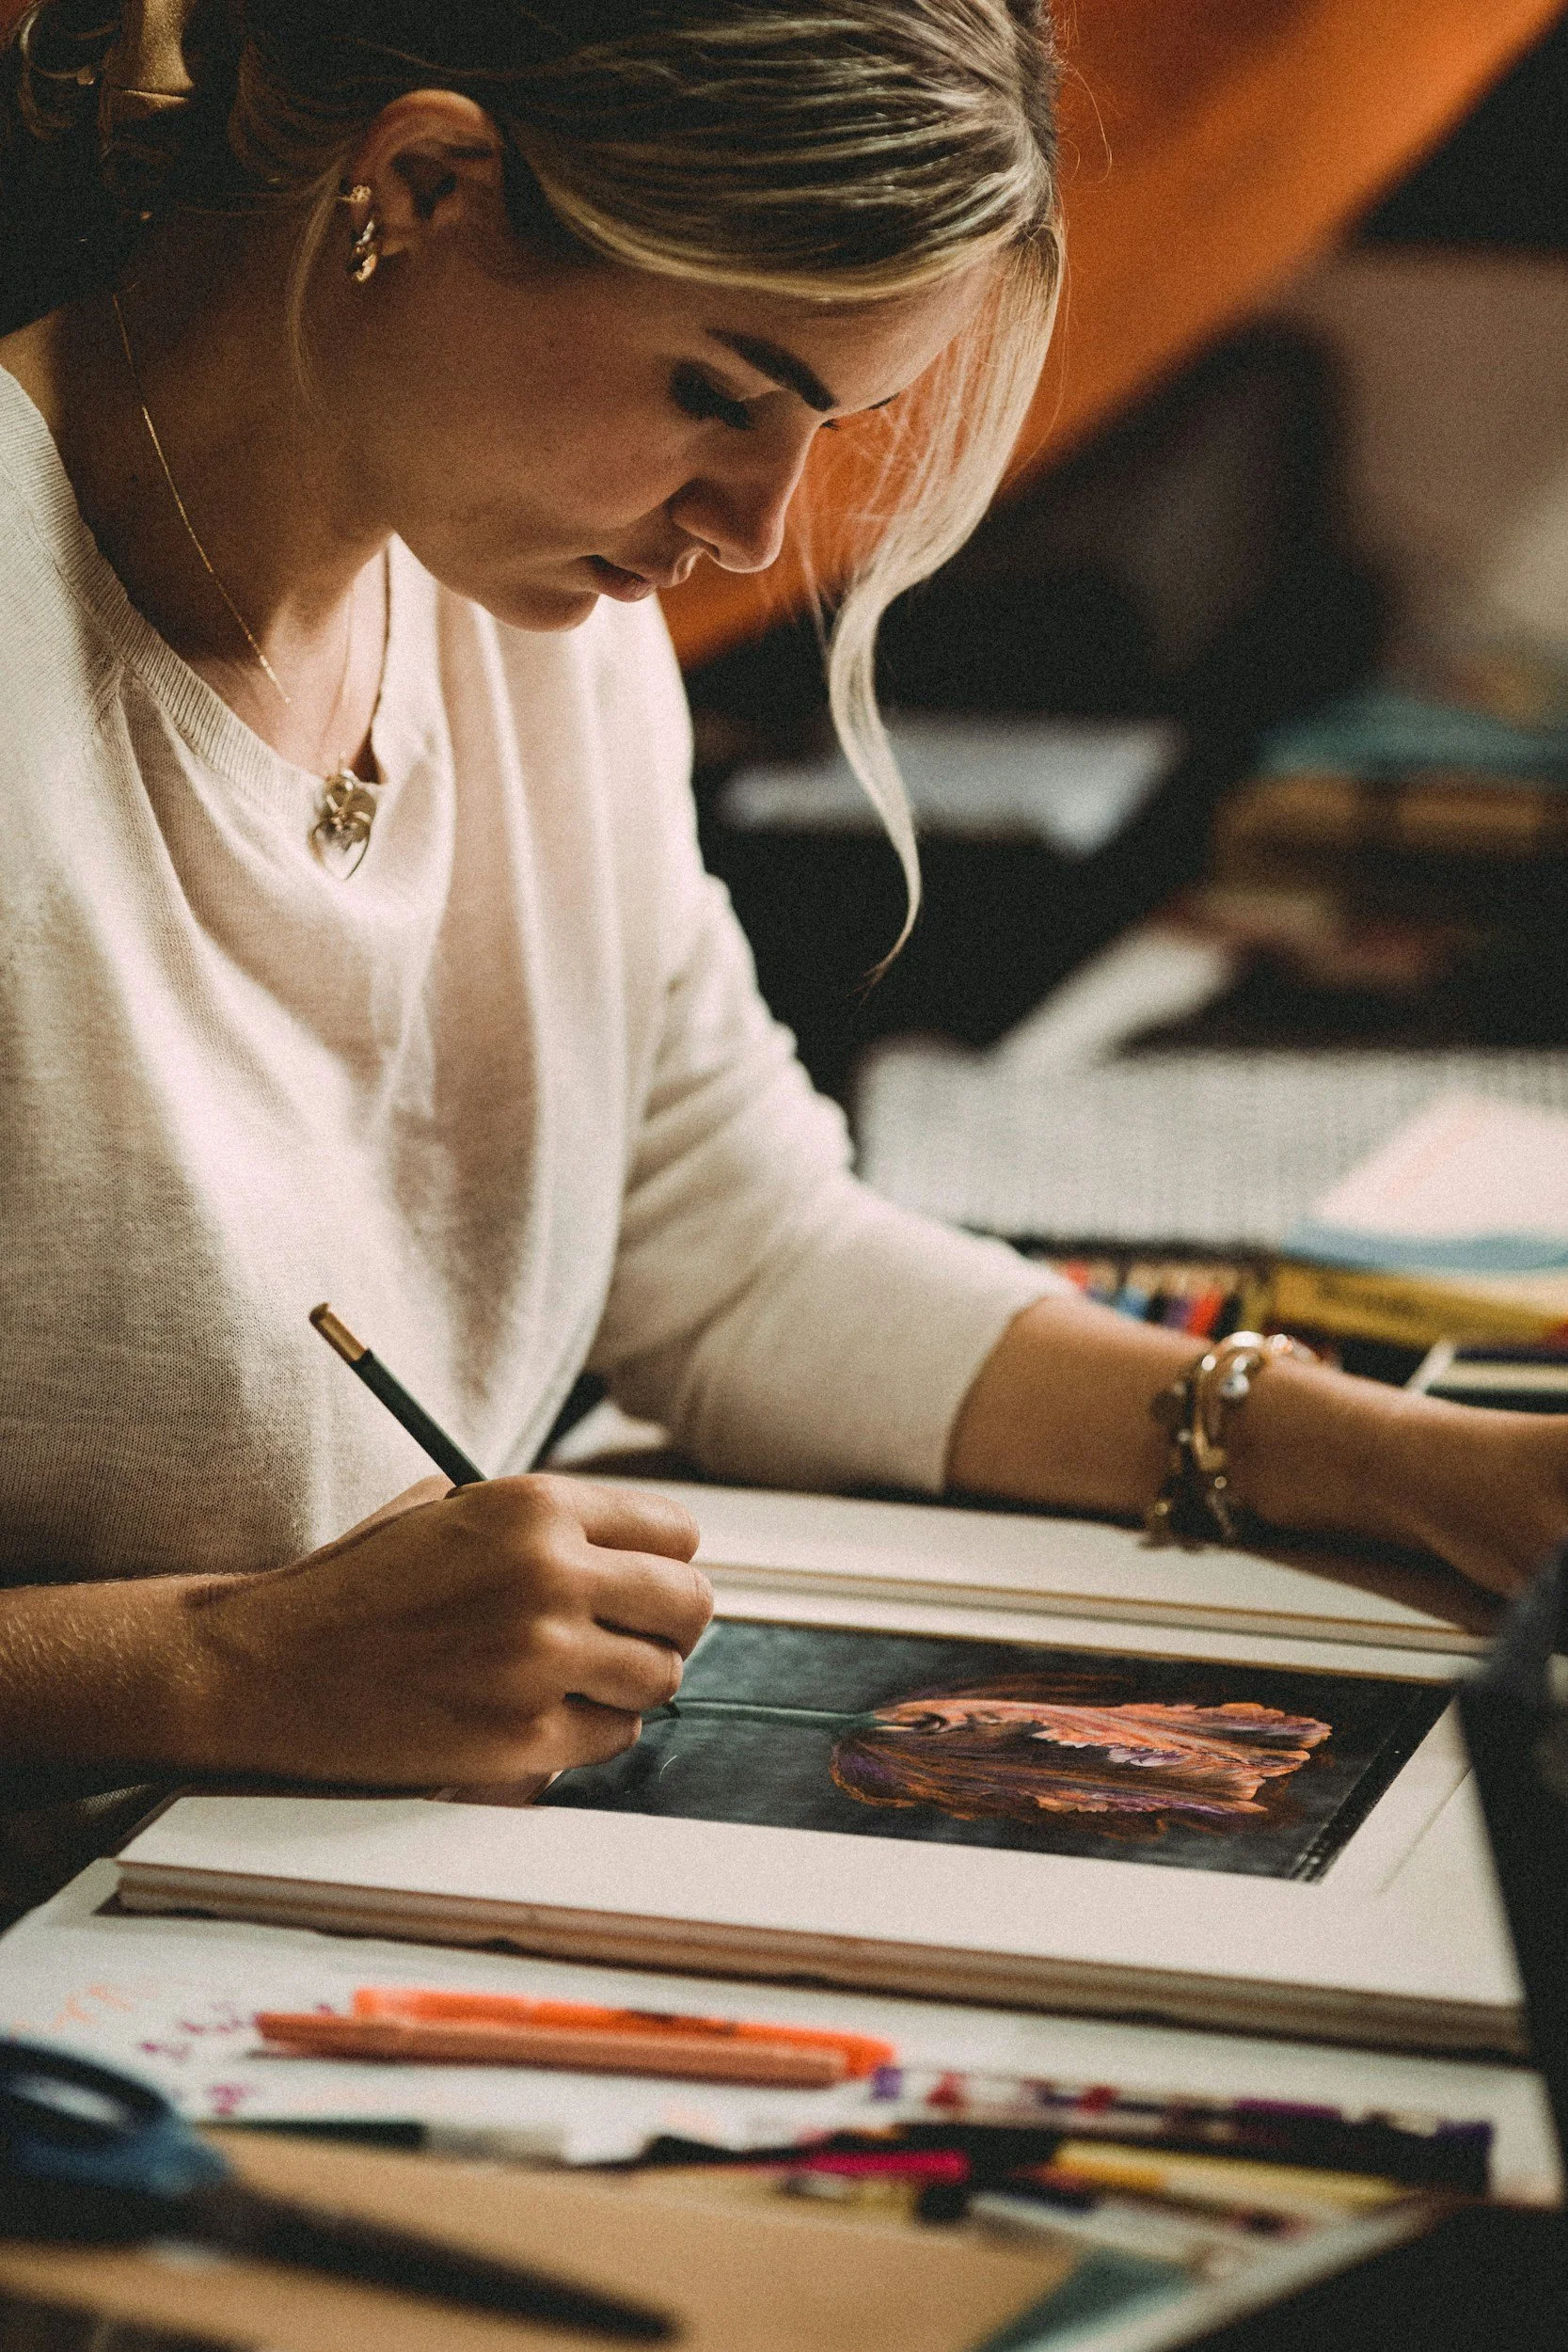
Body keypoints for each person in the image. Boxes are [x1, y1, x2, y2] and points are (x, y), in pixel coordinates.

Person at [0, 2, 1564, 1827]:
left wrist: (1397, 1460)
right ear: (419, 186)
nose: (753, 531)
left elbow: (735, 1251)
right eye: (713, 392)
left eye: (828, 424)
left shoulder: (511, 605)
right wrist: (218, 1661)